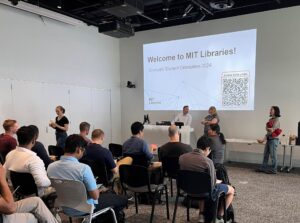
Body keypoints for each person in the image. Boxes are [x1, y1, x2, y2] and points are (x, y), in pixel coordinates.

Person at [47, 134, 127, 218]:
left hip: (64, 207)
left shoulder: (51, 167)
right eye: (83, 150)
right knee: (122, 200)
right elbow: (95, 196)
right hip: (85, 209)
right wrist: (99, 190)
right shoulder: (84, 169)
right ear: (78, 150)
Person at [179, 136, 234, 223]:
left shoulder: (182, 158)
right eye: (210, 150)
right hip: (204, 192)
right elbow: (212, 185)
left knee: (200, 185)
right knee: (231, 190)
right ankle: (219, 216)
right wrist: (218, 181)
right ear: (207, 148)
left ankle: (201, 215)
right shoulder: (207, 161)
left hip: (187, 190)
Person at [4, 126, 51, 196]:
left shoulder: (9, 155)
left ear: (18, 140)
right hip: (35, 197)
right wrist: (49, 180)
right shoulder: (34, 160)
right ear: (33, 141)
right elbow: (42, 183)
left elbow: (5, 174)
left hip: (16, 194)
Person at [256, 106, 281, 174]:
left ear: (275, 111)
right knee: (265, 154)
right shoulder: (270, 120)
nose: (270, 110)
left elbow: (271, 129)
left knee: (273, 155)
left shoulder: (277, 120)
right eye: (270, 109)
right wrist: (263, 139)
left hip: (274, 140)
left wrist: (268, 128)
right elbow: (268, 131)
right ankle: (263, 168)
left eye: (271, 109)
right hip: (269, 139)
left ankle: (274, 169)